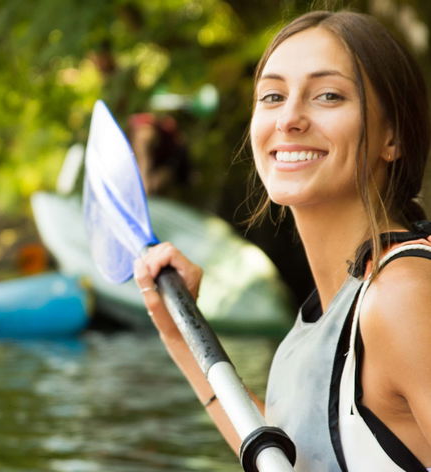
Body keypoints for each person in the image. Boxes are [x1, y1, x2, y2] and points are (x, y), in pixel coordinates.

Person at [133, 10, 431, 470]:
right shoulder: (324, 315)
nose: (289, 118)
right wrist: (178, 333)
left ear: (392, 137)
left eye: (329, 95)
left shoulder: (403, 296)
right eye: (273, 96)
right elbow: (292, 457)